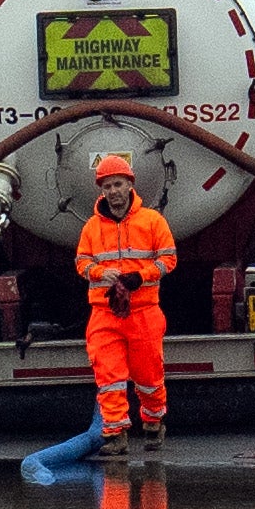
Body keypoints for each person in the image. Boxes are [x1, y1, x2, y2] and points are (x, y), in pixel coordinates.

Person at [74, 148, 175, 451]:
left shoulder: (152, 221)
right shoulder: (92, 227)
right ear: (101, 191)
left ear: (130, 185)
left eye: (118, 184)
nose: (113, 191)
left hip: (143, 310)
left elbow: (168, 259)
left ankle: (154, 421)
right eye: (107, 186)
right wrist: (98, 273)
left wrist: (139, 277)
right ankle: (115, 435)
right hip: (105, 312)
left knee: (149, 375)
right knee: (109, 376)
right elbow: (81, 262)